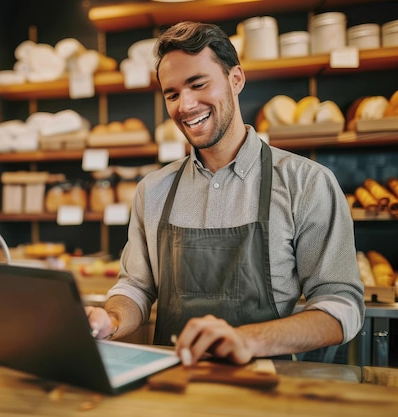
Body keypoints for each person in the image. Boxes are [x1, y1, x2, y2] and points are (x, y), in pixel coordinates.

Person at [86, 21, 365, 366]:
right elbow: (137, 288)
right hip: (172, 387)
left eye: (198, 84)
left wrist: (249, 338)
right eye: (172, 94)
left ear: (236, 79)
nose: (185, 105)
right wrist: (110, 319)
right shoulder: (153, 190)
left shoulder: (305, 183)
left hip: (266, 390)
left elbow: (341, 305)